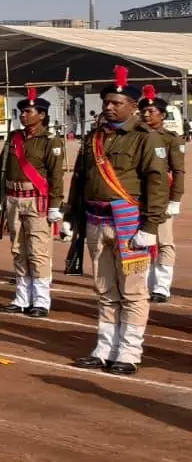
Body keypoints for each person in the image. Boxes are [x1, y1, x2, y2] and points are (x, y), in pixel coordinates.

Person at [66, 67, 169, 375]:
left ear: (132, 106)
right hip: (97, 220)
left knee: (134, 291)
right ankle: (104, 347)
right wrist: (72, 216)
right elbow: (80, 179)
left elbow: (157, 185)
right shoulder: (94, 138)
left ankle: (128, 351)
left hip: (129, 223)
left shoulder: (145, 139)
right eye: (107, 102)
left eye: (116, 102)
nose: (109, 107)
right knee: (104, 289)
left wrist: (150, 227)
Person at [0, 86, 65, 317]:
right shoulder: (14, 138)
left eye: (29, 111)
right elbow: (2, 168)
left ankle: (41, 300)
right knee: (18, 249)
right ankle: (22, 297)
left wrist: (55, 205)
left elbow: (56, 176)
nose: (23, 115)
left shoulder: (51, 141)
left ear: (41, 115)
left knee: (38, 251)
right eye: (22, 112)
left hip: (36, 200)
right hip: (13, 198)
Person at [135, 85, 183, 303]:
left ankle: (161, 286)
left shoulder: (171, 139)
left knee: (164, 242)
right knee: (139, 240)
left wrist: (175, 198)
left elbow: (178, 170)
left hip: (161, 197)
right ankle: (141, 282)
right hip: (136, 196)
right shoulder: (135, 136)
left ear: (162, 115)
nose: (146, 114)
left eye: (151, 111)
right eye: (143, 111)